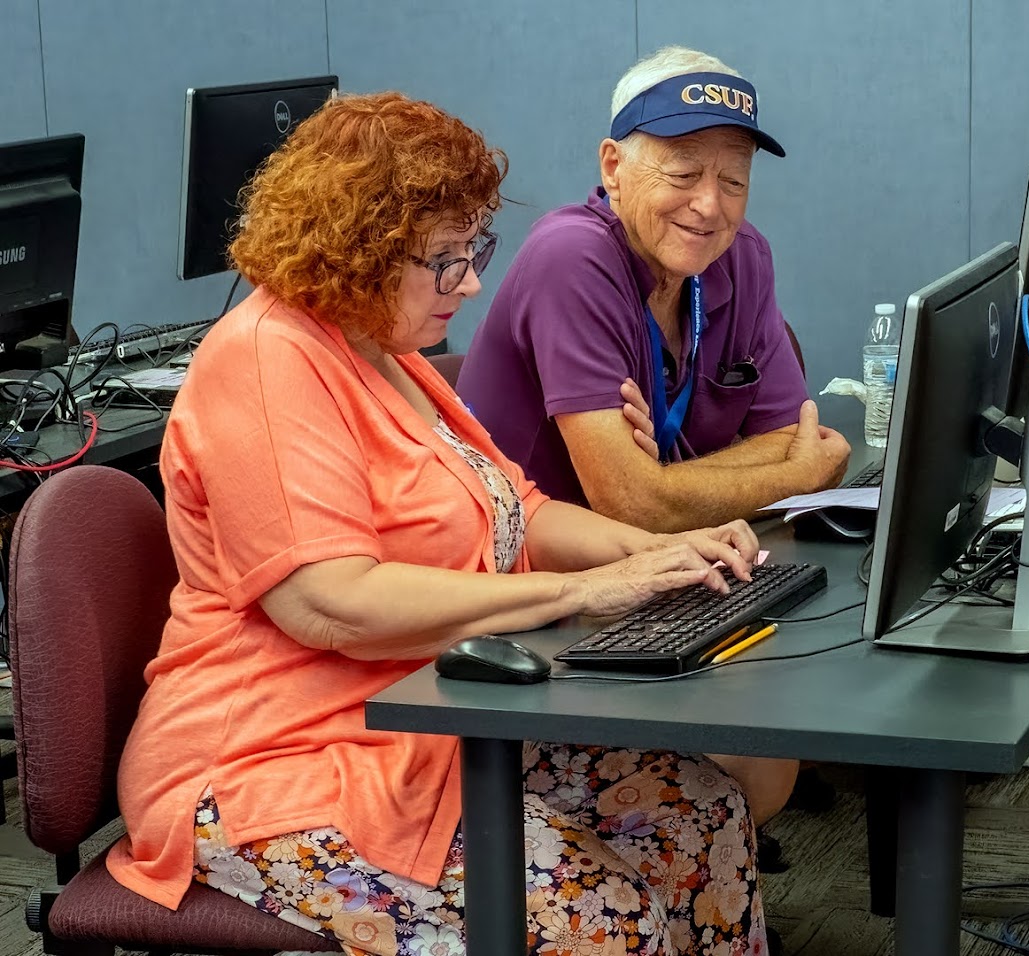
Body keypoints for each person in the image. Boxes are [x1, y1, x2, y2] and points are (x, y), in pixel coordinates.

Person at [105, 92, 773, 956]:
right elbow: (330, 603)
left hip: (417, 728)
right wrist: (578, 592)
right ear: (359, 250)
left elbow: (516, 510)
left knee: (704, 818)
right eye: (447, 258)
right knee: (600, 917)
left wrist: (656, 552)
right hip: (269, 761)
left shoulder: (390, 354)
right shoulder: (265, 358)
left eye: (475, 249)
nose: (473, 280)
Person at [459, 46, 849, 835]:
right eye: (681, 173)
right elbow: (635, 496)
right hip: (525, 601)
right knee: (751, 762)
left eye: (733, 178)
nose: (710, 205)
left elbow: (792, 438)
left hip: (654, 575)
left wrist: (676, 481)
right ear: (613, 164)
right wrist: (786, 473)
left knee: (777, 736)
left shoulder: (742, 259)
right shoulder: (572, 256)